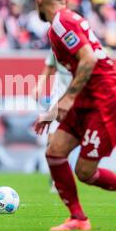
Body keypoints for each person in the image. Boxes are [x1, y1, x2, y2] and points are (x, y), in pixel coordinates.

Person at [33, 0, 116, 231]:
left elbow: (89, 59)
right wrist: (54, 110)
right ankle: (78, 219)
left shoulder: (61, 22)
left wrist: (68, 98)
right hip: (88, 97)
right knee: (55, 150)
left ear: (39, 0)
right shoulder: (62, 23)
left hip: (104, 99)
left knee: (84, 171)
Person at [32, 50, 72, 193]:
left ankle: (63, 177)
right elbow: (50, 66)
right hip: (58, 99)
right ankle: (57, 179)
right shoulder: (56, 42)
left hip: (78, 97)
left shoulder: (81, 44)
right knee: (52, 141)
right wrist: (39, 85)